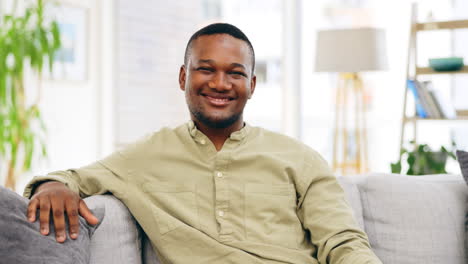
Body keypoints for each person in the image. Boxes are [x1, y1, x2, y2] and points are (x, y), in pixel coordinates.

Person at [23, 23, 382, 264]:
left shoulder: (299, 158)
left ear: (252, 85)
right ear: (184, 77)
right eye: (206, 69)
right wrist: (53, 185)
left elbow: (344, 243)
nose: (220, 83)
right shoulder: (146, 156)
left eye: (235, 73)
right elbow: (73, 177)